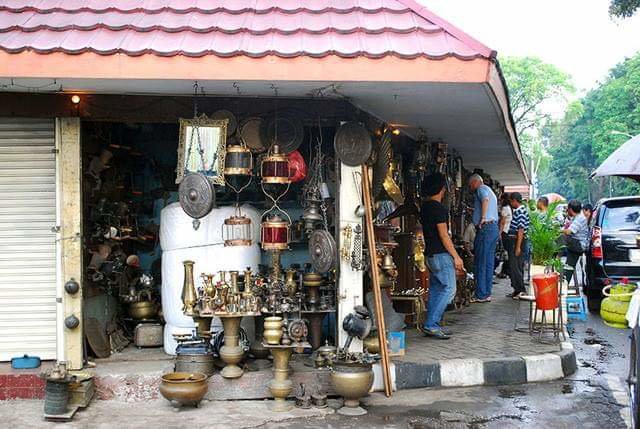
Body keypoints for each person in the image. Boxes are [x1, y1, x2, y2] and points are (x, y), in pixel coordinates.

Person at [420, 173, 464, 339]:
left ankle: (431, 324)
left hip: (430, 254)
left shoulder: (425, 207)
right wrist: (456, 257)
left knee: (437, 290)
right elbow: (444, 236)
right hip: (441, 255)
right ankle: (431, 324)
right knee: (449, 289)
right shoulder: (439, 209)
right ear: (441, 189)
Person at [468, 174, 499, 303]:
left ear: (476, 182)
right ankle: (486, 293)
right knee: (488, 262)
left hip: (486, 228)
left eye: (470, 185)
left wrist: (482, 218)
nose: (470, 187)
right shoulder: (490, 191)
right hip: (493, 228)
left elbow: (485, 200)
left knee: (480, 261)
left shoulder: (481, 189)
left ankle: (480, 294)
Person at [505, 192, 530, 299]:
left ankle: (521, 289)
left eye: (511, 201)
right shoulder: (519, 211)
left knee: (516, 267)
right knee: (514, 266)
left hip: (517, 241)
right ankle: (516, 289)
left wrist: (518, 247)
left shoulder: (521, 212)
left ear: (515, 200)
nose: (510, 203)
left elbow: (520, 230)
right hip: (515, 241)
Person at [562, 199, 590, 283]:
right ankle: (565, 278)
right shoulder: (576, 218)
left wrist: (557, 230)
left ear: (570, 209)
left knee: (562, 236)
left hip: (579, 245)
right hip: (575, 244)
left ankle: (565, 281)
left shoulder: (580, 218)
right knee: (569, 264)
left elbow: (569, 231)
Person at [497, 192, 512, 279]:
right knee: (506, 253)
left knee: (505, 253)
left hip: (504, 232)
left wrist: (499, 233)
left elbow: (502, 222)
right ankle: (505, 271)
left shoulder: (505, 209)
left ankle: (504, 271)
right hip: (507, 232)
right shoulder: (509, 208)